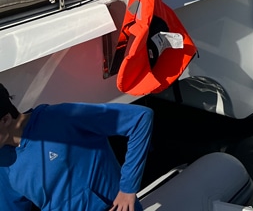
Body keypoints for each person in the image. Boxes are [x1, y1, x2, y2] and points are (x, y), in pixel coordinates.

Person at [0, 83, 154, 211]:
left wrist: (128, 188)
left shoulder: (60, 118)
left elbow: (140, 119)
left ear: (6, 119)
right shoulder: (3, 162)